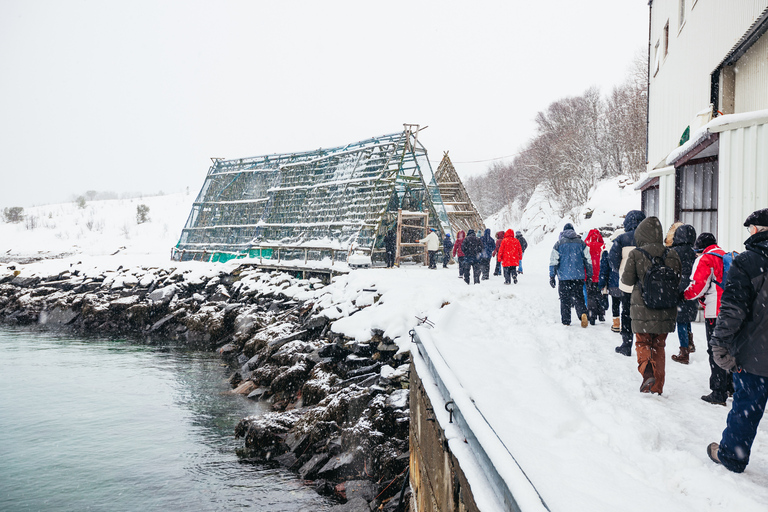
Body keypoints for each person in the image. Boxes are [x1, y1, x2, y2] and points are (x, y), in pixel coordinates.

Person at [706, 208, 768, 473]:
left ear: (759, 230)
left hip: (754, 353)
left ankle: (732, 455)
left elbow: (733, 309)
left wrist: (719, 342)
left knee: (746, 408)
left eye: (751, 228)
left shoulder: (747, 261)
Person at [620, 216, 681, 395]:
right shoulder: (672, 253)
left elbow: (627, 280)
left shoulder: (636, 254)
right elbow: (677, 279)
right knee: (659, 346)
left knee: (643, 342)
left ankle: (647, 372)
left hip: (643, 309)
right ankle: (657, 387)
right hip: (667, 308)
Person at [684, 232, 732, 405]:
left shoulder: (705, 259)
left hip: (715, 311)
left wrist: (684, 295)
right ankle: (731, 386)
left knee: (715, 351)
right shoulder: (726, 256)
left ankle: (718, 392)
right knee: (730, 348)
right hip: (733, 311)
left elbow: (698, 287)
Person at [609, 209, 647, 356]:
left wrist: (621, 271)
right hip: (646, 285)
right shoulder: (649, 239)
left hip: (627, 285)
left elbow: (613, 260)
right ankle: (644, 343)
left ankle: (626, 344)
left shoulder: (622, 239)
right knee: (644, 315)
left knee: (626, 313)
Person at [549, 223, 592, 327]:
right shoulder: (581, 243)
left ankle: (566, 320)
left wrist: (552, 276)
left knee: (564, 300)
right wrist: (590, 274)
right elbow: (588, 260)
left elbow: (553, 261)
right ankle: (583, 314)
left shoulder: (559, 244)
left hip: (564, 277)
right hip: (578, 276)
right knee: (579, 297)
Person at [667, 223, 698, 364]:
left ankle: (684, 352)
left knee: (681, 321)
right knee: (687, 319)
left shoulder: (673, 252)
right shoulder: (695, 252)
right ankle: (690, 344)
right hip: (692, 290)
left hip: (678, 290)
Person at [584, 229, 606, 325]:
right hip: (600, 275)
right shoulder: (602, 246)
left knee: (591, 296)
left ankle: (592, 316)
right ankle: (601, 315)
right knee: (600, 294)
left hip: (590, 276)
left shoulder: (586, 246)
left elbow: (585, 261)